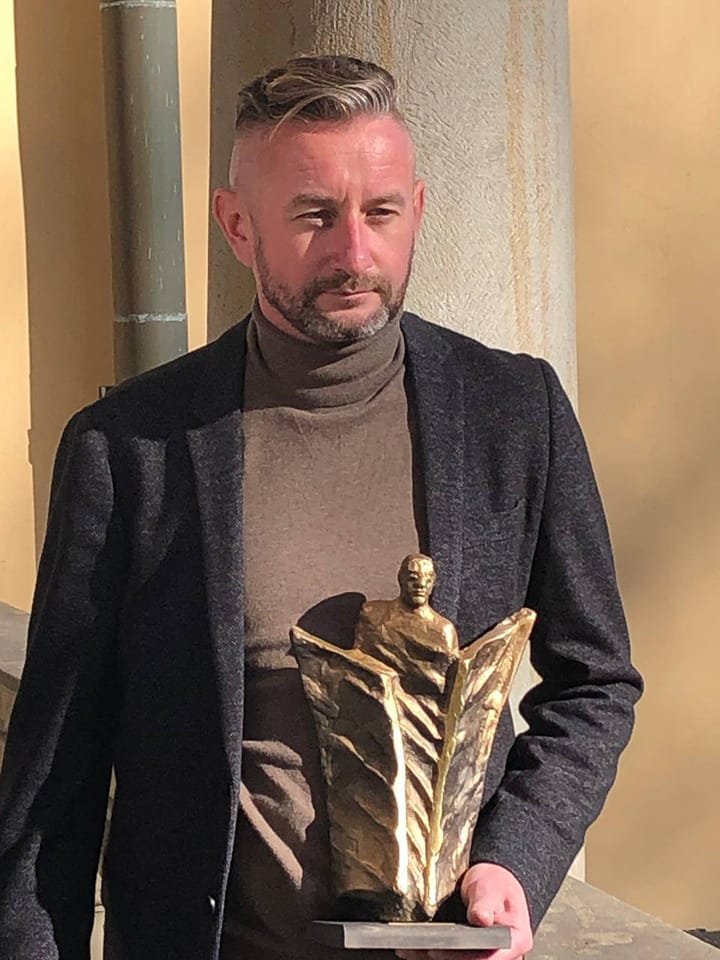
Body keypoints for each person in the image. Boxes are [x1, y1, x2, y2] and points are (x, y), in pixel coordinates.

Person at [0, 55, 642, 960]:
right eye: (313, 215)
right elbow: (53, 779)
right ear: (237, 225)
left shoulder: (513, 413)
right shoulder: (131, 447)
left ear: (417, 210)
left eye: (381, 212)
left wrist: (517, 859)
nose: (354, 253)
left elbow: (596, 682)